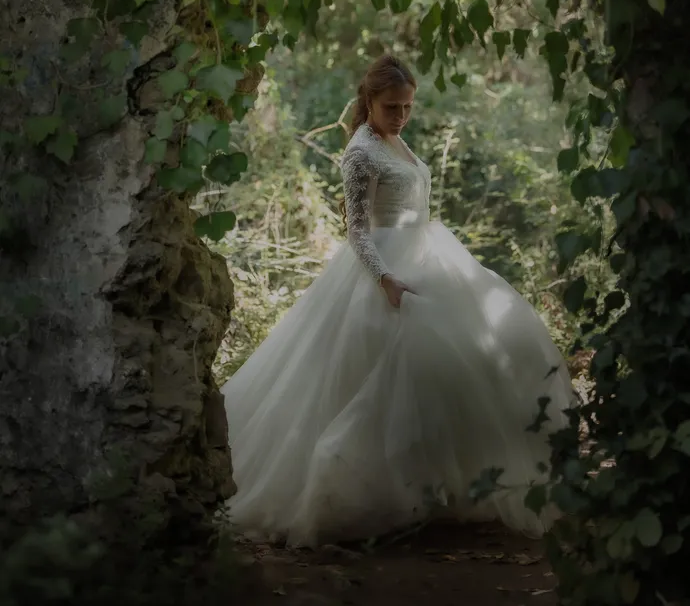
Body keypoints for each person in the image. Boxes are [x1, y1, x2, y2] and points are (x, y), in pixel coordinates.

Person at [220, 54, 574, 547]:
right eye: (392, 107)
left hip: (427, 257)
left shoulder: (395, 140)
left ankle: (443, 486)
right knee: (377, 375)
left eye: (407, 107)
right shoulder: (361, 150)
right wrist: (385, 278)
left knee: (470, 357)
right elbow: (356, 231)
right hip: (382, 267)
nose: (402, 115)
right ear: (369, 102)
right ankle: (375, 493)